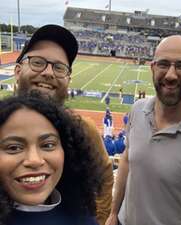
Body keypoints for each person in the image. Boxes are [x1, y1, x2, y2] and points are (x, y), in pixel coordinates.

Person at [106, 35, 181, 225]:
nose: (170, 74)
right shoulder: (138, 110)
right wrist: (114, 213)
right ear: (153, 68)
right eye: (163, 64)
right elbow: (127, 160)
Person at [13, 24, 113, 225]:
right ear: (17, 71)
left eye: (59, 67)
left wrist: (97, 220)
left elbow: (104, 179)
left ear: (68, 79)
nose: (49, 73)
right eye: (38, 62)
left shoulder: (83, 130)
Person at [0, 94, 103, 225]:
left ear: (67, 151)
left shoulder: (82, 216)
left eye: (48, 145)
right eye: (14, 147)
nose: (35, 160)